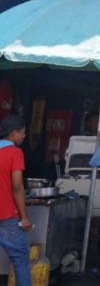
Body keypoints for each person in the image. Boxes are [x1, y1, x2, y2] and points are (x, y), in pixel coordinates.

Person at [0, 116, 32, 286]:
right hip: (6, 215)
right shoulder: (15, 152)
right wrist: (24, 216)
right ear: (13, 133)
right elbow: (17, 186)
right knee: (20, 258)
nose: (24, 136)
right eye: (22, 133)